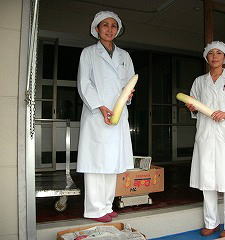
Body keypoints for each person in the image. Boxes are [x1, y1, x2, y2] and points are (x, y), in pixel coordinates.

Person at [77, 11, 135, 222]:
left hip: (118, 114)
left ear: (117, 30)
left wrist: (128, 96)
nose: (109, 29)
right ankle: (94, 209)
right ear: (96, 29)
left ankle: (106, 205)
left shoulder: (124, 56)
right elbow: (84, 84)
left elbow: (129, 82)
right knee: (95, 162)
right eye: (105, 25)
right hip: (96, 114)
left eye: (113, 26)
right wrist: (100, 107)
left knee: (113, 161)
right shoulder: (88, 53)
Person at [186, 41, 225, 237]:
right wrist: (192, 109)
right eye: (211, 53)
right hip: (205, 135)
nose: (214, 56)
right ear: (206, 57)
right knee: (207, 181)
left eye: (218, 53)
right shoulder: (199, 81)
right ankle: (211, 222)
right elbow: (193, 103)